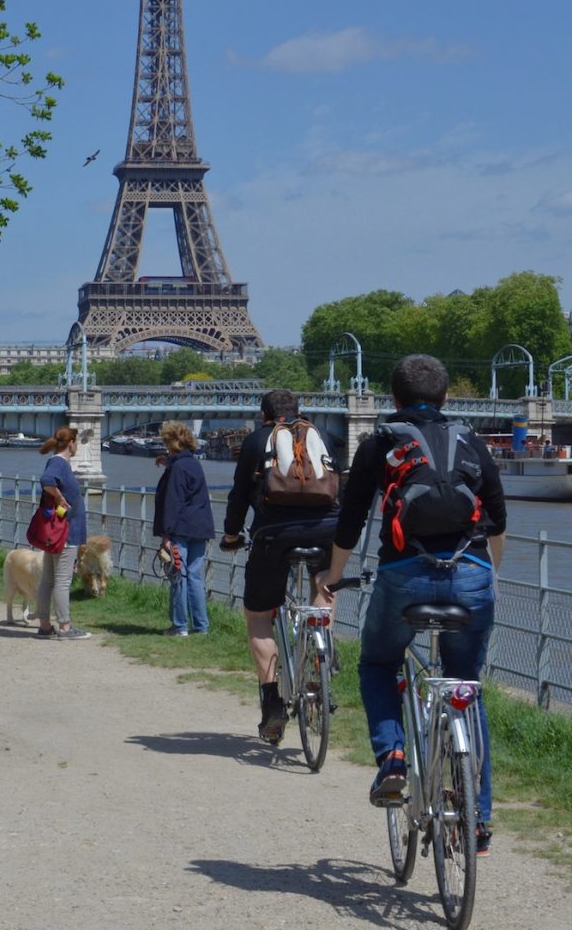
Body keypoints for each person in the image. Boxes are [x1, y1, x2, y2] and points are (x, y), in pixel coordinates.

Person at [315, 354, 506, 856]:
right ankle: (479, 821)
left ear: (393, 399)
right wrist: (488, 577)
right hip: (472, 574)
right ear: (446, 397)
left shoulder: (380, 441)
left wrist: (333, 578)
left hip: (404, 575)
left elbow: (352, 518)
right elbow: (499, 520)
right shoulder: (472, 439)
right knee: (468, 685)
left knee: (378, 663)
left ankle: (394, 758)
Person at [220, 390, 339, 741]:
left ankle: (272, 703)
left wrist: (231, 535)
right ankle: (319, 649)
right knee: (325, 587)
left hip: (273, 534)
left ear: (264, 416)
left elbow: (240, 494)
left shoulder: (258, 440)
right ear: (301, 412)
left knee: (259, 615)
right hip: (326, 530)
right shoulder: (325, 437)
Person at [152, 421, 215, 637]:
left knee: (178, 575)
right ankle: (201, 625)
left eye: (166, 442)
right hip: (201, 527)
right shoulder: (193, 464)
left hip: (180, 528)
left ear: (172, 442)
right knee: (195, 576)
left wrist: (166, 535)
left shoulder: (177, 468)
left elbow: (173, 502)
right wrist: (168, 463)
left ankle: (179, 625)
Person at [35, 425, 90, 640]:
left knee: (48, 579)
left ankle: (45, 626)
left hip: (57, 532)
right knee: (62, 581)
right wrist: (59, 497)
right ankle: (65, 627)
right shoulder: (58, 463)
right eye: (76, 442)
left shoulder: (59, 463)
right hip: (64, 533)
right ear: (71, 443)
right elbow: (47, 480)